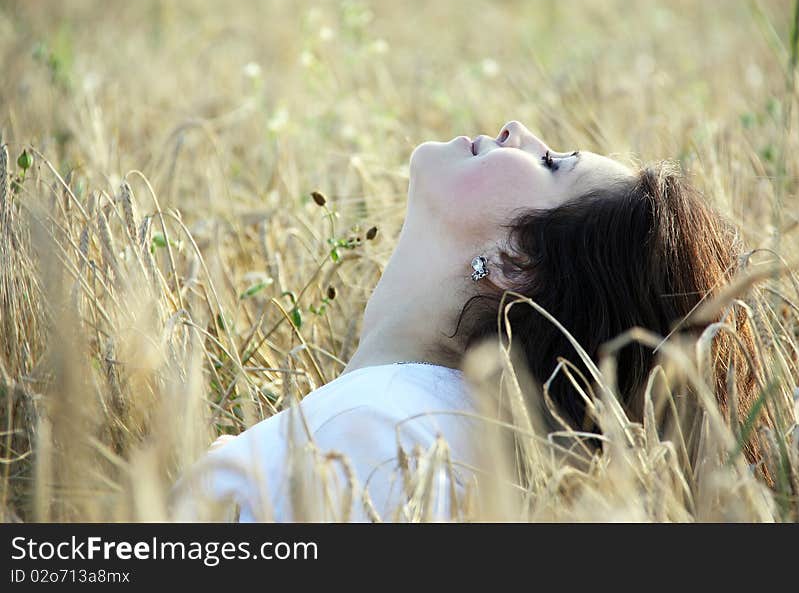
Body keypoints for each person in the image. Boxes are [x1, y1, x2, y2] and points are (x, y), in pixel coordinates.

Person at [171, 120, 762, 522]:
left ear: (516, 264)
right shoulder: (433, 432)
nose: (516, 132)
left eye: (552, 163)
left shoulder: (377, 432)